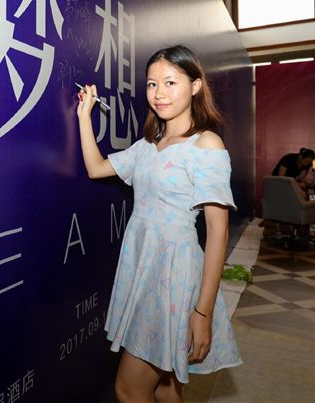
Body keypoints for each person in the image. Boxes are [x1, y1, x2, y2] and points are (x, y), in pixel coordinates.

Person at [76, 45, 241, 403]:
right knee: (166, 390)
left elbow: (218, 233)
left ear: (195, 86)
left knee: (128, 389)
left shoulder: (206, 144)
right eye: (152, 84)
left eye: (170, 82)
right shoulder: (147, 146)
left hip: (174, 276)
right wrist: (84, 115)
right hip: (143, 267)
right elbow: (96, 168)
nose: (159, 93)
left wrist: (202, 312)